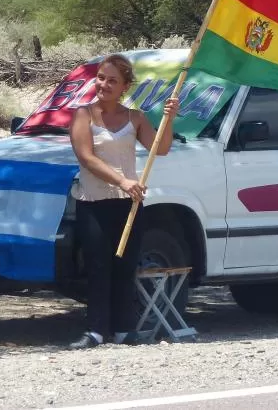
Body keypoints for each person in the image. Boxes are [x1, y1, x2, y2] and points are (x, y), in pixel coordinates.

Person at [68, 54, 179, 349]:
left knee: (126, 266)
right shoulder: (83, 115)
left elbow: (162, 148)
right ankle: (95, 330)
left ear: (125, 86)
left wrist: (169, 119)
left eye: (112, 81)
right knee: (97, 266)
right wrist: (122, 181)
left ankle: (125, 330)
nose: (103, 84)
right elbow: (86, 157)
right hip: (93, 201)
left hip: (127, 204)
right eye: (101, 78)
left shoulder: (135, 118)